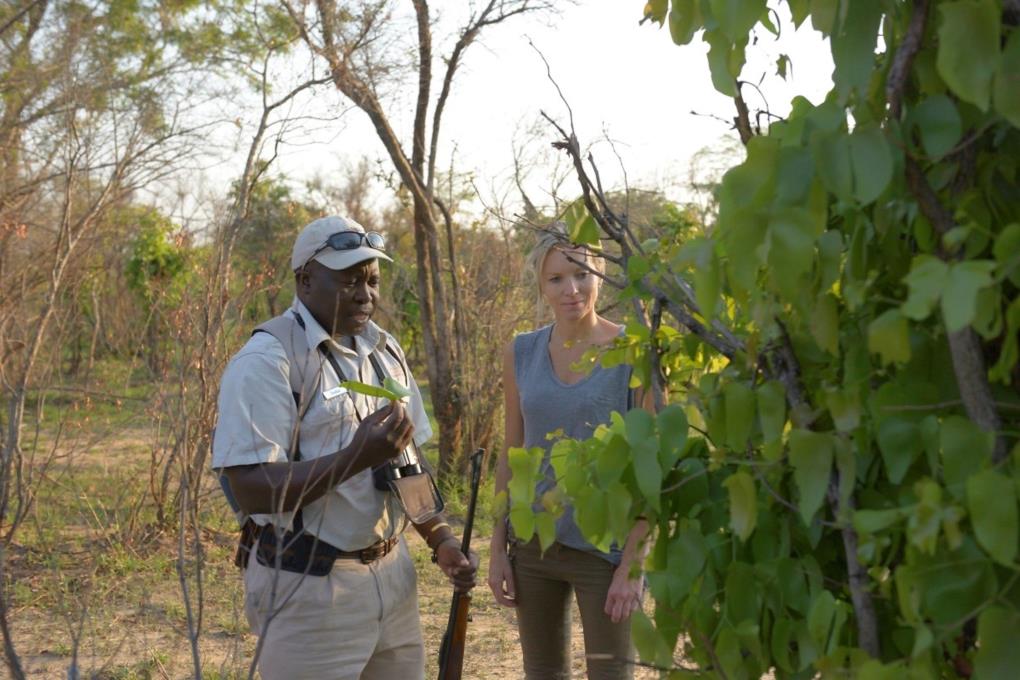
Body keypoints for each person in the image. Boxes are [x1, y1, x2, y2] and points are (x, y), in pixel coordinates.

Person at [212, 215, 477, 680]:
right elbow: (251, 489)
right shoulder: (267, 362)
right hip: (309, 588)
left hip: (393, 578)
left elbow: (406, 460)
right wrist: (355, 457)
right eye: (349, 280)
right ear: (305, 280)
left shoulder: (384, 351)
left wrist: (440, 538)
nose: (364, 294)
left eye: (372, 281)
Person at [487, 224, 650, 680]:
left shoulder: (633, 351)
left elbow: (651, 467)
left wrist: (633, 564)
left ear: (600, 275)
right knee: (542, 672)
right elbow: (512, 451)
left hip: (606, 550)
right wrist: (498, 547)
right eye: (556, 278)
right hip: (533, 546)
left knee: (611, 675)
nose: (571, 289)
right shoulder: (521, 352)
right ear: (541, 285)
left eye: (581, 274)